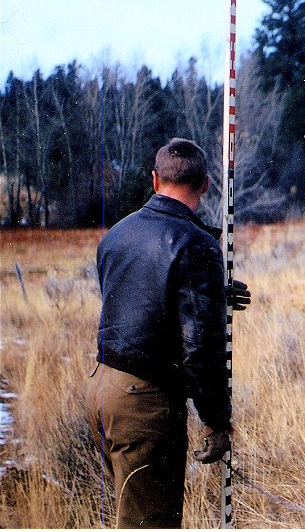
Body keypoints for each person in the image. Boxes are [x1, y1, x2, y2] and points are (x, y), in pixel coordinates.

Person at [85, 137, 251, 528]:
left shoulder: (117, 235)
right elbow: (201, 350)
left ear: (155, 179)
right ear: (207, 184)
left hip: (100, 389)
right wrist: (215, 420)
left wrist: (211, 295)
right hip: (143, 403)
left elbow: (138, 295)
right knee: (150, 523)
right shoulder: (196, 244)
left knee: (134, 512)